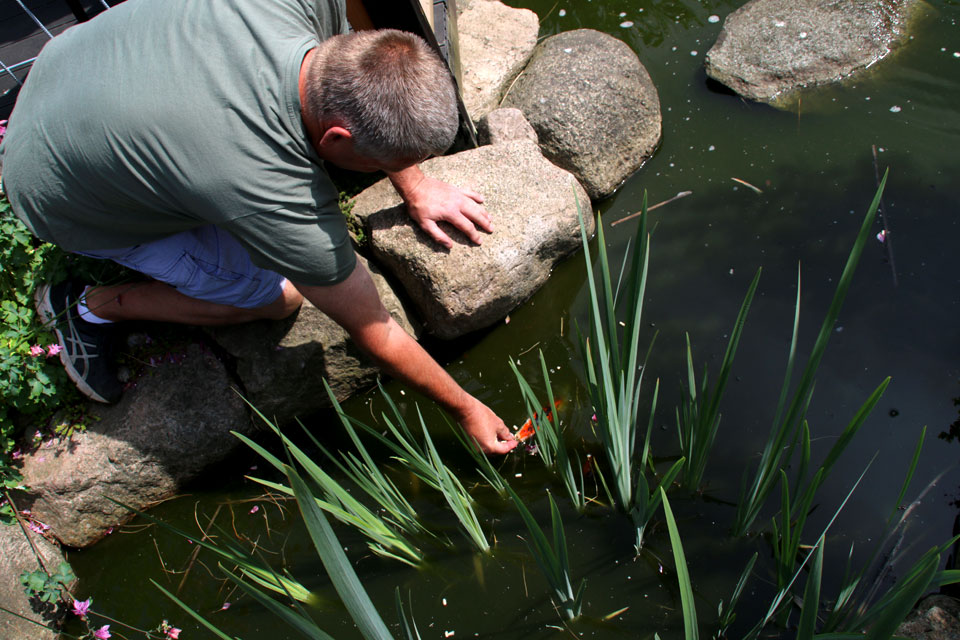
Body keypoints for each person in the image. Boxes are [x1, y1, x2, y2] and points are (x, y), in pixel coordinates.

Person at [0, 0, 517, 454]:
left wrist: (416, 183)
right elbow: (373, 328)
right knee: (279, 296)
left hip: (68, 69)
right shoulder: (262, 181)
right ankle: (87, 308)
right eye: (382, 161)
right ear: (336, 139)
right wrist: (467, 408)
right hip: (56, 190)